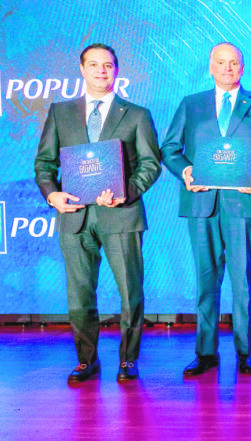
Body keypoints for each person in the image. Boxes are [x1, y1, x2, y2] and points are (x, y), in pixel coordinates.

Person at [34, 43, 161, 382]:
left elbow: (151, 164)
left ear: (116, 70)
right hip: (74, 218)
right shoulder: (60, 112)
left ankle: (128, 360)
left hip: (122, 216)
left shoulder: (136, 115)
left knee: (130, 292)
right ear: (82, 69)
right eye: (94, 65)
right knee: (78, 295)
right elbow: (44, 163)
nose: (101, 71)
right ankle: (86, 360)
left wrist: (125, 193)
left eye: (108, 65)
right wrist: (52, 195)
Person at [161, 42, 251, 377]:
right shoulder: (191, 104)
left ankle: (245, 352)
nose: (228, 68)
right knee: (205, 280)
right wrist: (185, 170)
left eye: (234, 63)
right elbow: (170, 148)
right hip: (202, 204)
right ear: (210, 67)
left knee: (242, 281)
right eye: (221, 62)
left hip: (244, 204)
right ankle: (206, 352)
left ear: (242, 68)